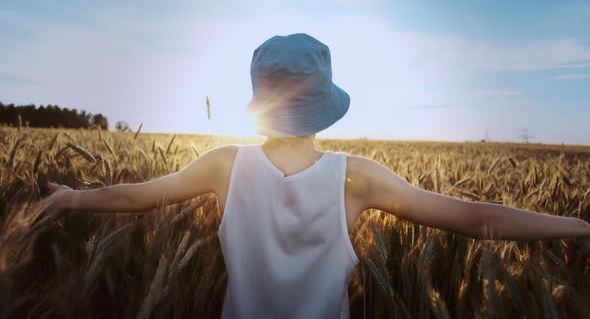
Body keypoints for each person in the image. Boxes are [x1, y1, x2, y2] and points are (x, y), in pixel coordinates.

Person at [41, 33, 590, 318]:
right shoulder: (357, 178)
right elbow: (477, 218)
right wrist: (578, 227)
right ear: (324, 103)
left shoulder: (223, 165)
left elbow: (136, 198)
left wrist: (69, 199)